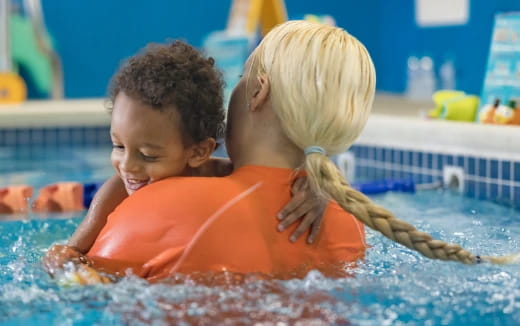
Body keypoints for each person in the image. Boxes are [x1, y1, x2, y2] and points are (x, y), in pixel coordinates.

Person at [50, 20, 518, 284]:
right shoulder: (346, 221)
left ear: (257, 92)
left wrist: (68, 253)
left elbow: (82, 295)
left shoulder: (155, 208)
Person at [43, 40, 325, 275]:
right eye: (118, 146)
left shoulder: (223, 176)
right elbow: (74, 252)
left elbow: (271, 178)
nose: (127, 166)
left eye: (148, 155)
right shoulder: (116, 192)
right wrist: (62, 261)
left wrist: (314, 187)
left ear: (199, 151)